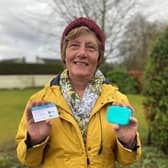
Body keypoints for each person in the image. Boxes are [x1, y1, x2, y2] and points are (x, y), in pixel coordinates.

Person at [16, 17, 141, 168]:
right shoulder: (41, 101)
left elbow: (127, 160)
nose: (82, 53)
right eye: (74, 46)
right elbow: (28, 159)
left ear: (98, 56)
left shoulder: (117, 102)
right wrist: (34, 140)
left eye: (90, 48)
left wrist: (127, 142)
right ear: (65, 53)